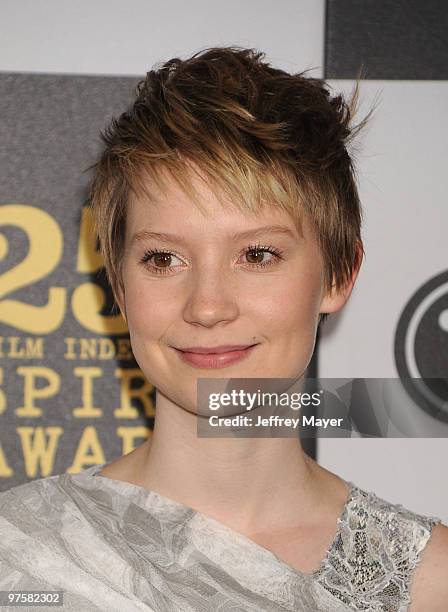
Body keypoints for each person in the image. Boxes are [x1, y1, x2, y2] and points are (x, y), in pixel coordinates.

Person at [0, 46, 447, 612]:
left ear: (338, 273)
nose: (207, 307)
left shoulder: (432, 583)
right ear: (117, 281)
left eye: (257, 254)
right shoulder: (17, 558)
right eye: (164, 259)